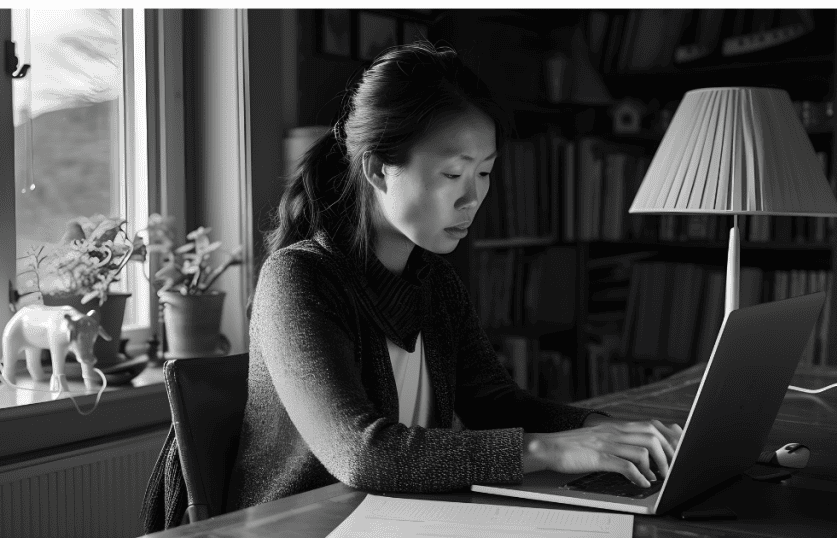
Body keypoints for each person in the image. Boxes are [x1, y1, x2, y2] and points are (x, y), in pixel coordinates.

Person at [228, 42, 683, 510]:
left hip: (403, 518)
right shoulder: (298, 277)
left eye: (484, 173)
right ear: (379, 169)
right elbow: (364, 456)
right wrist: (549, 449)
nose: (473, 199)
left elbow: (497, 404)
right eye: (452, 174)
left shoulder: (435, 282)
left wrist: (600, 431)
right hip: (303, 525)